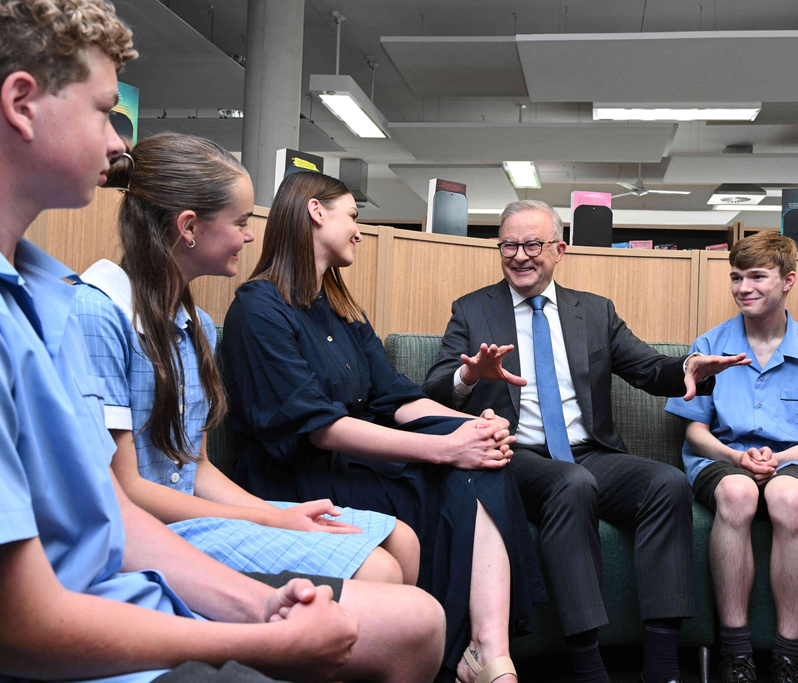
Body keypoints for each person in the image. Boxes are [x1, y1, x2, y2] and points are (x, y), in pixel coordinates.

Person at [0, 1, 444, 682]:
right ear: (23, 104)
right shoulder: (91, 308)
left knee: (409, 589)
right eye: (104, 111)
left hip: (131, 567)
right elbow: (43, 596)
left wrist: (269, 560)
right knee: (400, 604)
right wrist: (267, 612)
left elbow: (135, 494)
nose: (122, 143)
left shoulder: (52, 295)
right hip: (116, 581)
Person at [219, 170, 545, 683]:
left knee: (480, 462)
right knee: (458, 470)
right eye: (353, 215)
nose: (359, 230)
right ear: (315, 212)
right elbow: (320, 428)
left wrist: (472, 427)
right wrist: (444, 451)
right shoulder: (257, 309)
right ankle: (473, 654)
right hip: (298, 477)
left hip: (357, 463)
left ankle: (488, 651)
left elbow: (398, 398)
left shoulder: (344, 308)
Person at [422, 199, 749, 683]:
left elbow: (647, 368)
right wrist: (468, 377)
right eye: (508, 245)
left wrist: (688, 367)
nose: (520, 256)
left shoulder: (594, 311)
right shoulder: (473, 310)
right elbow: (434, 385)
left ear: (559, 249)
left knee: (666, 484)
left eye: (533, 244)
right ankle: (587, 664)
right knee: (570, 484)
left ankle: (662, 665)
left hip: (590, 453)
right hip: (514, 455)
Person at [73, 132, 421, 585]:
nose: (251, 234)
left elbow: (194, 467)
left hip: (190, 514)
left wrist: (280, 515)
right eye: (239, 222)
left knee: (402, 541)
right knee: (379, 571)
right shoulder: (98, 311)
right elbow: (126, 490)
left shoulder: (196, 321)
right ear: (190, 227)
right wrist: (270, 520)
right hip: (139, 528)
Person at [665, 232, 798, 683]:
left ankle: (790, 656)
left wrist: (778, 459)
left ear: (788, 280)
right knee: (737, 494)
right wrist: (736, 457)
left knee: (790, 499)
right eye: (735, 277)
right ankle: (735, 652)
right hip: (722, 459)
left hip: (791, 459)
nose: (743, 287)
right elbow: (695, 429)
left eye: (756, 276)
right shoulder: (709, 345)